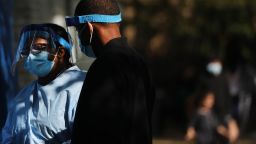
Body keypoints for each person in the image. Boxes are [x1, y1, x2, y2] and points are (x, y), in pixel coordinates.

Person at [65, 0, 155, 143]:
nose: (79, 37)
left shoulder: (103, 66)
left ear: (89, 28)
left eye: (78, 30)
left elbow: (91, 128)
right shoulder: (140, 62)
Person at [2, 23, 86, 143]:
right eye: (27, 49)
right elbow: (8, 137)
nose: (30, 55)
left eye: (39, 48)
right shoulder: (22, 97)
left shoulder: (80, 87)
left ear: (60, 52)